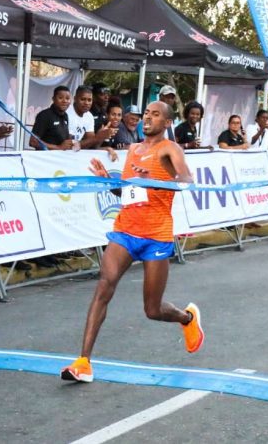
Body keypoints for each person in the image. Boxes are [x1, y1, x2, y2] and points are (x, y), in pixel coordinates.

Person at [60, 101, 204, 383]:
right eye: (146, 114)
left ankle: (187, 318)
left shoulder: (170, 149)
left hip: (156, 236)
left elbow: (186, 178)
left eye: (156, 115)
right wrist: (109, 182)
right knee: (104, 285)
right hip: (125, 230)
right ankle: (83, 362)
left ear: (167, 123)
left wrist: (169, 181)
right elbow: (128, 193)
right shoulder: (133, 150)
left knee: (152, 310)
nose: (148, 119)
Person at [67, 85, 116, 150]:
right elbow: (71, 146)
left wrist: (102, 138)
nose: (86, 103)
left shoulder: (89, 116)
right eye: (83, 99)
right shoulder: (66, 114)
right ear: (75, 98)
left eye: (89, 100)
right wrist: (97, 137)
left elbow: (91, 145)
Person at [29, 86, 73, 151]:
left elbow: (64, 140)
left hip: (60, 159)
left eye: (67, 98)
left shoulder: (65, 115)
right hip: (45, 159)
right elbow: (33, 142)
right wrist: (58, 147)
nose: (64, 101)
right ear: (53, 99)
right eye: (60, 98)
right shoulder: (44, 115)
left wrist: (72, 144)